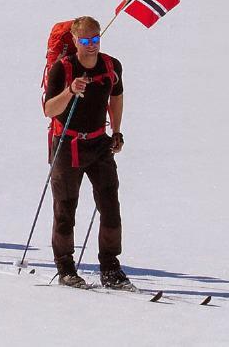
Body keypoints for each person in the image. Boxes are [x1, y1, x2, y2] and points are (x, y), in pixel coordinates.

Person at [41, 16, 129, 290]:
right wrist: (70, 90)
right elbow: (49, 110)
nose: (92, 45)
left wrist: (116, 131)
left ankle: (110, 267)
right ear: (75, 40)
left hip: (99, 143)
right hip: (68, 145)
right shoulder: (63, 68)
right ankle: (65, 266)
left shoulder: (111, 65)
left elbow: (116, 97)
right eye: (86, 40)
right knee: (66, 208)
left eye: (96, 39)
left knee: (110, 207)